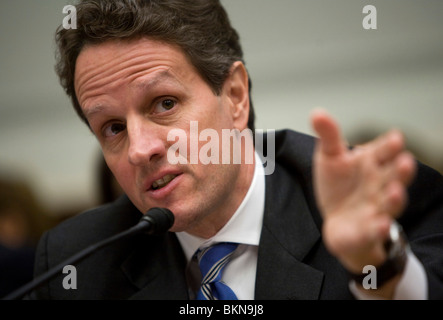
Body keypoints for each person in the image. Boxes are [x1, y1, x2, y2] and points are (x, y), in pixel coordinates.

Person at [27, 0, 443, 300]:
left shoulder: (379, 208)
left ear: (235, 95)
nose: (140, 149)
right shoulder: (75, 265)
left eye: (164, 103)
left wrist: (382, 268)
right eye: (113, 127)